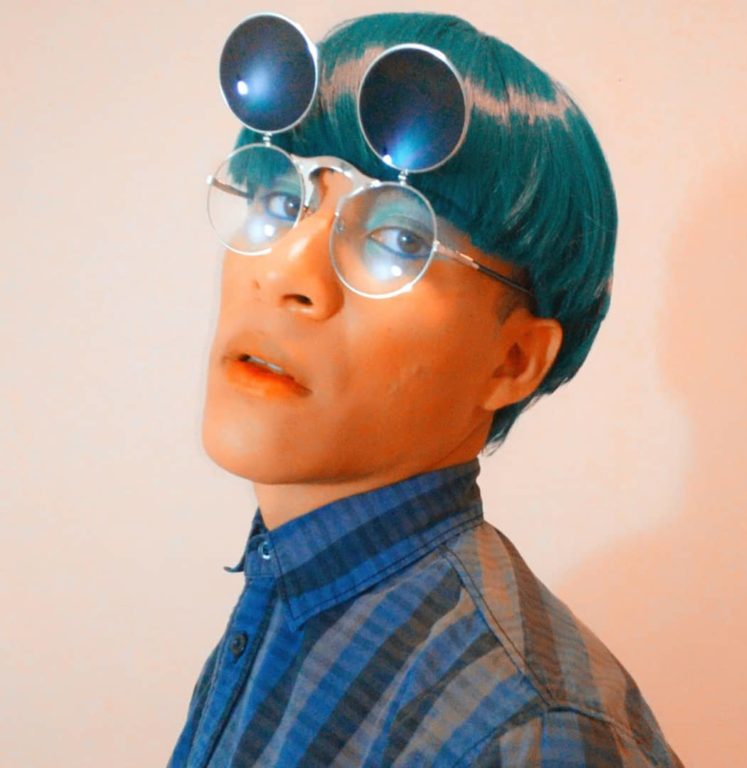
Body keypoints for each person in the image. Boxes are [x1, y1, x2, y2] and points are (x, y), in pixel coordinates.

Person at [168, 11, 684, 767]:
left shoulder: (529, 733)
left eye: (398, 239)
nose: (285, 273)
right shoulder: (285, 593)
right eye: (281, 201)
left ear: (513, 360)